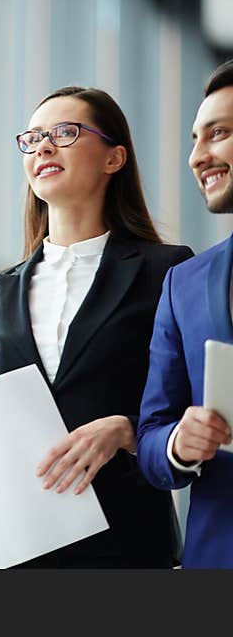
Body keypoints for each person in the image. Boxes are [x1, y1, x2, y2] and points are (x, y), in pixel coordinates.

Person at [0, 87, 192, 568]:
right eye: (33, 138)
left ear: (114, 158)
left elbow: (198, 410)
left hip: (127, 542)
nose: (43, 147)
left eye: (64, 132)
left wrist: (127, 429)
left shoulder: (167, 271)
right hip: (10, 547)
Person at [138, 60, 233, 568]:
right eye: (196, 139)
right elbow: (151, 432)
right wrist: (180, 442)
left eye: (218, 134)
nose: (197, 157)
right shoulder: (184, 284)